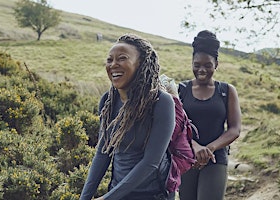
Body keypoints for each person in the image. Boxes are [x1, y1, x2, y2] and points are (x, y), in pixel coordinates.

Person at [80, 33, 176, 200]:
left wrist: (107, 199)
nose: (113, 65)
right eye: (110, 60)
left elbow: (151, 163)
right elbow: (103, 154)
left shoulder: (161, 102)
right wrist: (85, 197)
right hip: (118, 192)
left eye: (122, 58)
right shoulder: (108, 101)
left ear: (141, 64)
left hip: (153, 195)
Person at [178, 30, 242, 200]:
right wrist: (195, 146)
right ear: (191, 63)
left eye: (208, 65)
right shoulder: (181, 90)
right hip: (186, 158)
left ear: (216, 65)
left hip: (216, 159)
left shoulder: (226, 91)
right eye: (197, 65)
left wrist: (209, 149)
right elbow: (174, 127)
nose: (202, 70)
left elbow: (235, 129)